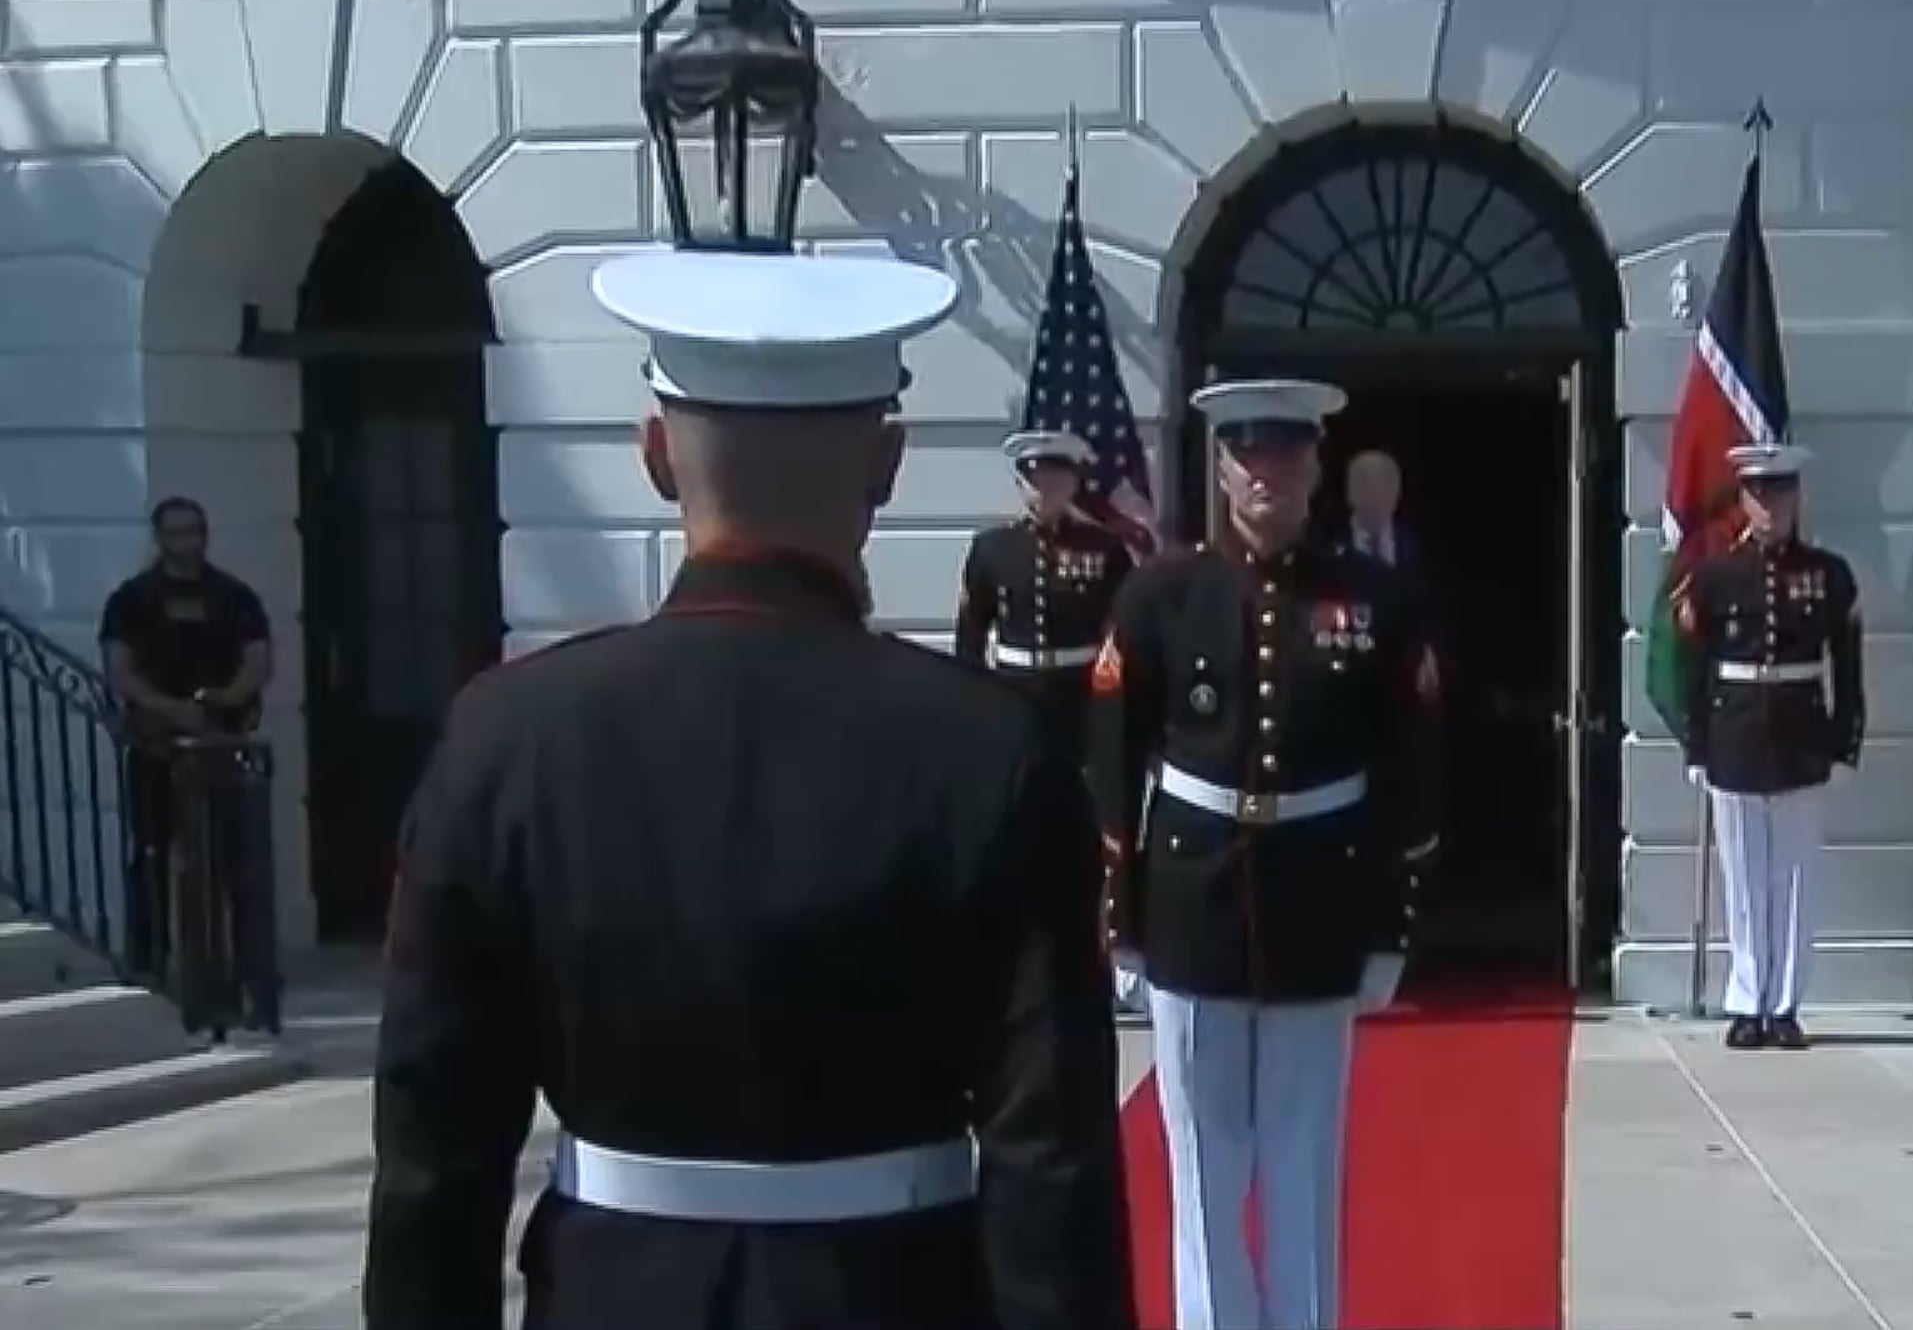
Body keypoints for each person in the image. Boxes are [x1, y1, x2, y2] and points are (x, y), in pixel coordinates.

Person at [363, 246, 1136, 1330]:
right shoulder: (989, 751)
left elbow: (433, 1151)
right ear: (887, 464)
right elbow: (1050, 1161)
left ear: (655, 457)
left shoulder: (506, 738)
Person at [1088, 377, 1441, 1330]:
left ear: (1315, 468)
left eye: (1284, 457)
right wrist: (1121, 911)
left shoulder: (1374, 599)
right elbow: (1113, 756)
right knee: (1202, 1165)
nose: (1265, 476)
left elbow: (1410, 763)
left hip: (1320, 895)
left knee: (1303, 1159)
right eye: (1247, 457)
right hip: (1192, 895)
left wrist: (1392, 920)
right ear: (1221, 467)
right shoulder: (1165, 593)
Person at [1673, 441, 1865, 1050]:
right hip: (1734, 733)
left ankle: (1784, 1005)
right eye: (1758, 493)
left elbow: (1847, 666)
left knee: (1796, 877)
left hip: (1802, 733)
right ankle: (1746, 1001)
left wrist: (1846, 742)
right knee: (1743, 879)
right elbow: (1697, 669)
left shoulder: (1828, 575)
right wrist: (1697, 744)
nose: (1770, 505)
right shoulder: (1714, 577)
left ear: (1796, 498)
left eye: (1780, 492)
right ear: (1743, 499)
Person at [99, 496, 272, 974]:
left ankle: (245, 963)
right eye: (176, 532)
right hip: (157, 745)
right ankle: (149, 957)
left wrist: (224, 700)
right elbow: (120, 671)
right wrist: (174, 710)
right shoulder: (132, 600)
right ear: (159, 538)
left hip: (223, 741)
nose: (188, 542)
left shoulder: (233, 597)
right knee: (152, 851)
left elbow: (257, 660)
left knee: (234, 856)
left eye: (195, 530)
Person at [953, 431, 1133, 753]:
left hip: (1079, 698)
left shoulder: (1104, 548)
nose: (1045, 490)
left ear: (1074, 484)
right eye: (1035, 480)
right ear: (1021, 484)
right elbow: (971, 633)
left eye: (1056, 480)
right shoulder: (992, 549)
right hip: (1013, 694)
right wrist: (973, 702)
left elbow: (1124, 631)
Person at [1338, 449, 1415, 570]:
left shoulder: (1414, 545)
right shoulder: (1330, 545)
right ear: (1350, 492)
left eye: (1387, 483)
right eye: (1367, 484)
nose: (1378, 494)